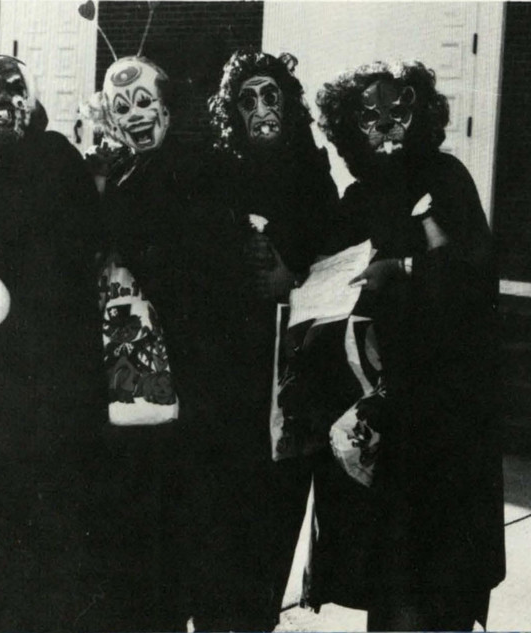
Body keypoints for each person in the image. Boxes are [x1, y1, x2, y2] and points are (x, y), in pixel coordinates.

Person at [313, 60, 505, 631]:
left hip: (447, 408)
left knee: (442, 579)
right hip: (386, 407)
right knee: (392, 577)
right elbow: (330, 276)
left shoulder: (446, 177)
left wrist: (399, 269)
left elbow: (474, 274)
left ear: (422, 110)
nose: (386, 124)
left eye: (398, 108)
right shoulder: (358, 197)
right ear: (349, 127)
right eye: (367, 116)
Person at [0, 55, 104, 633]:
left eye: (14, 88)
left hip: (53, 361)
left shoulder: (57, 156)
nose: (3, 101)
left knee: (48, 499)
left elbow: (80, 246)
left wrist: (6, 244)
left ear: (32, 99)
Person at [183, 48, 339, 632]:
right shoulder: (218, 171)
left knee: (275, 507)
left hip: (288, 370)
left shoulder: (312, 172)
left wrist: (290, 273)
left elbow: (336, 257)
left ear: (288, 103)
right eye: (246, 100)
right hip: (227, 370)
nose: (260, 109)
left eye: (270, 95)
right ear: (233, 112)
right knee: (219, 511)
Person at [77, 54, 205, 633]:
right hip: (123, 373)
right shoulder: (126, 172)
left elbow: (175, 264)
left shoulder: (187, 169)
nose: (134, 116)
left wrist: (110, 199)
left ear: (168, 108)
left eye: (145, 102)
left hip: (172, 369)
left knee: (159, 521)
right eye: (120, 107)